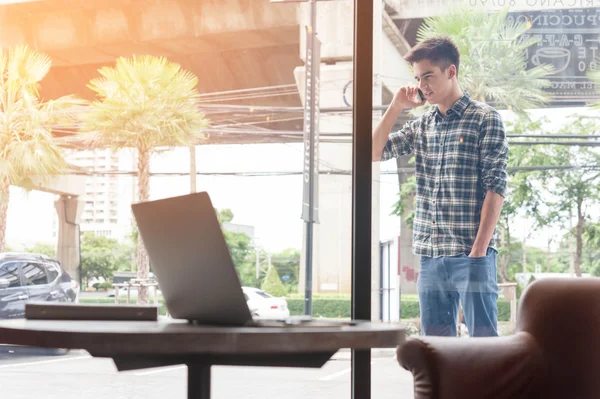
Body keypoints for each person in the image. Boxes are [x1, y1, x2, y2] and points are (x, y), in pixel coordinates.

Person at [372, 36, 508, 337]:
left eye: (429, 76)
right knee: (435, 349)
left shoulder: (485, 119)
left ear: (451, 72)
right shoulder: (421, 125)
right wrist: (396, 106)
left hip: (470, 253)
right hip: (431, 256)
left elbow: (495, 187)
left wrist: (479, 251)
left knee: (484, 345)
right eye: (419, 78)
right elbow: (372, 151)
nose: (423, 85)